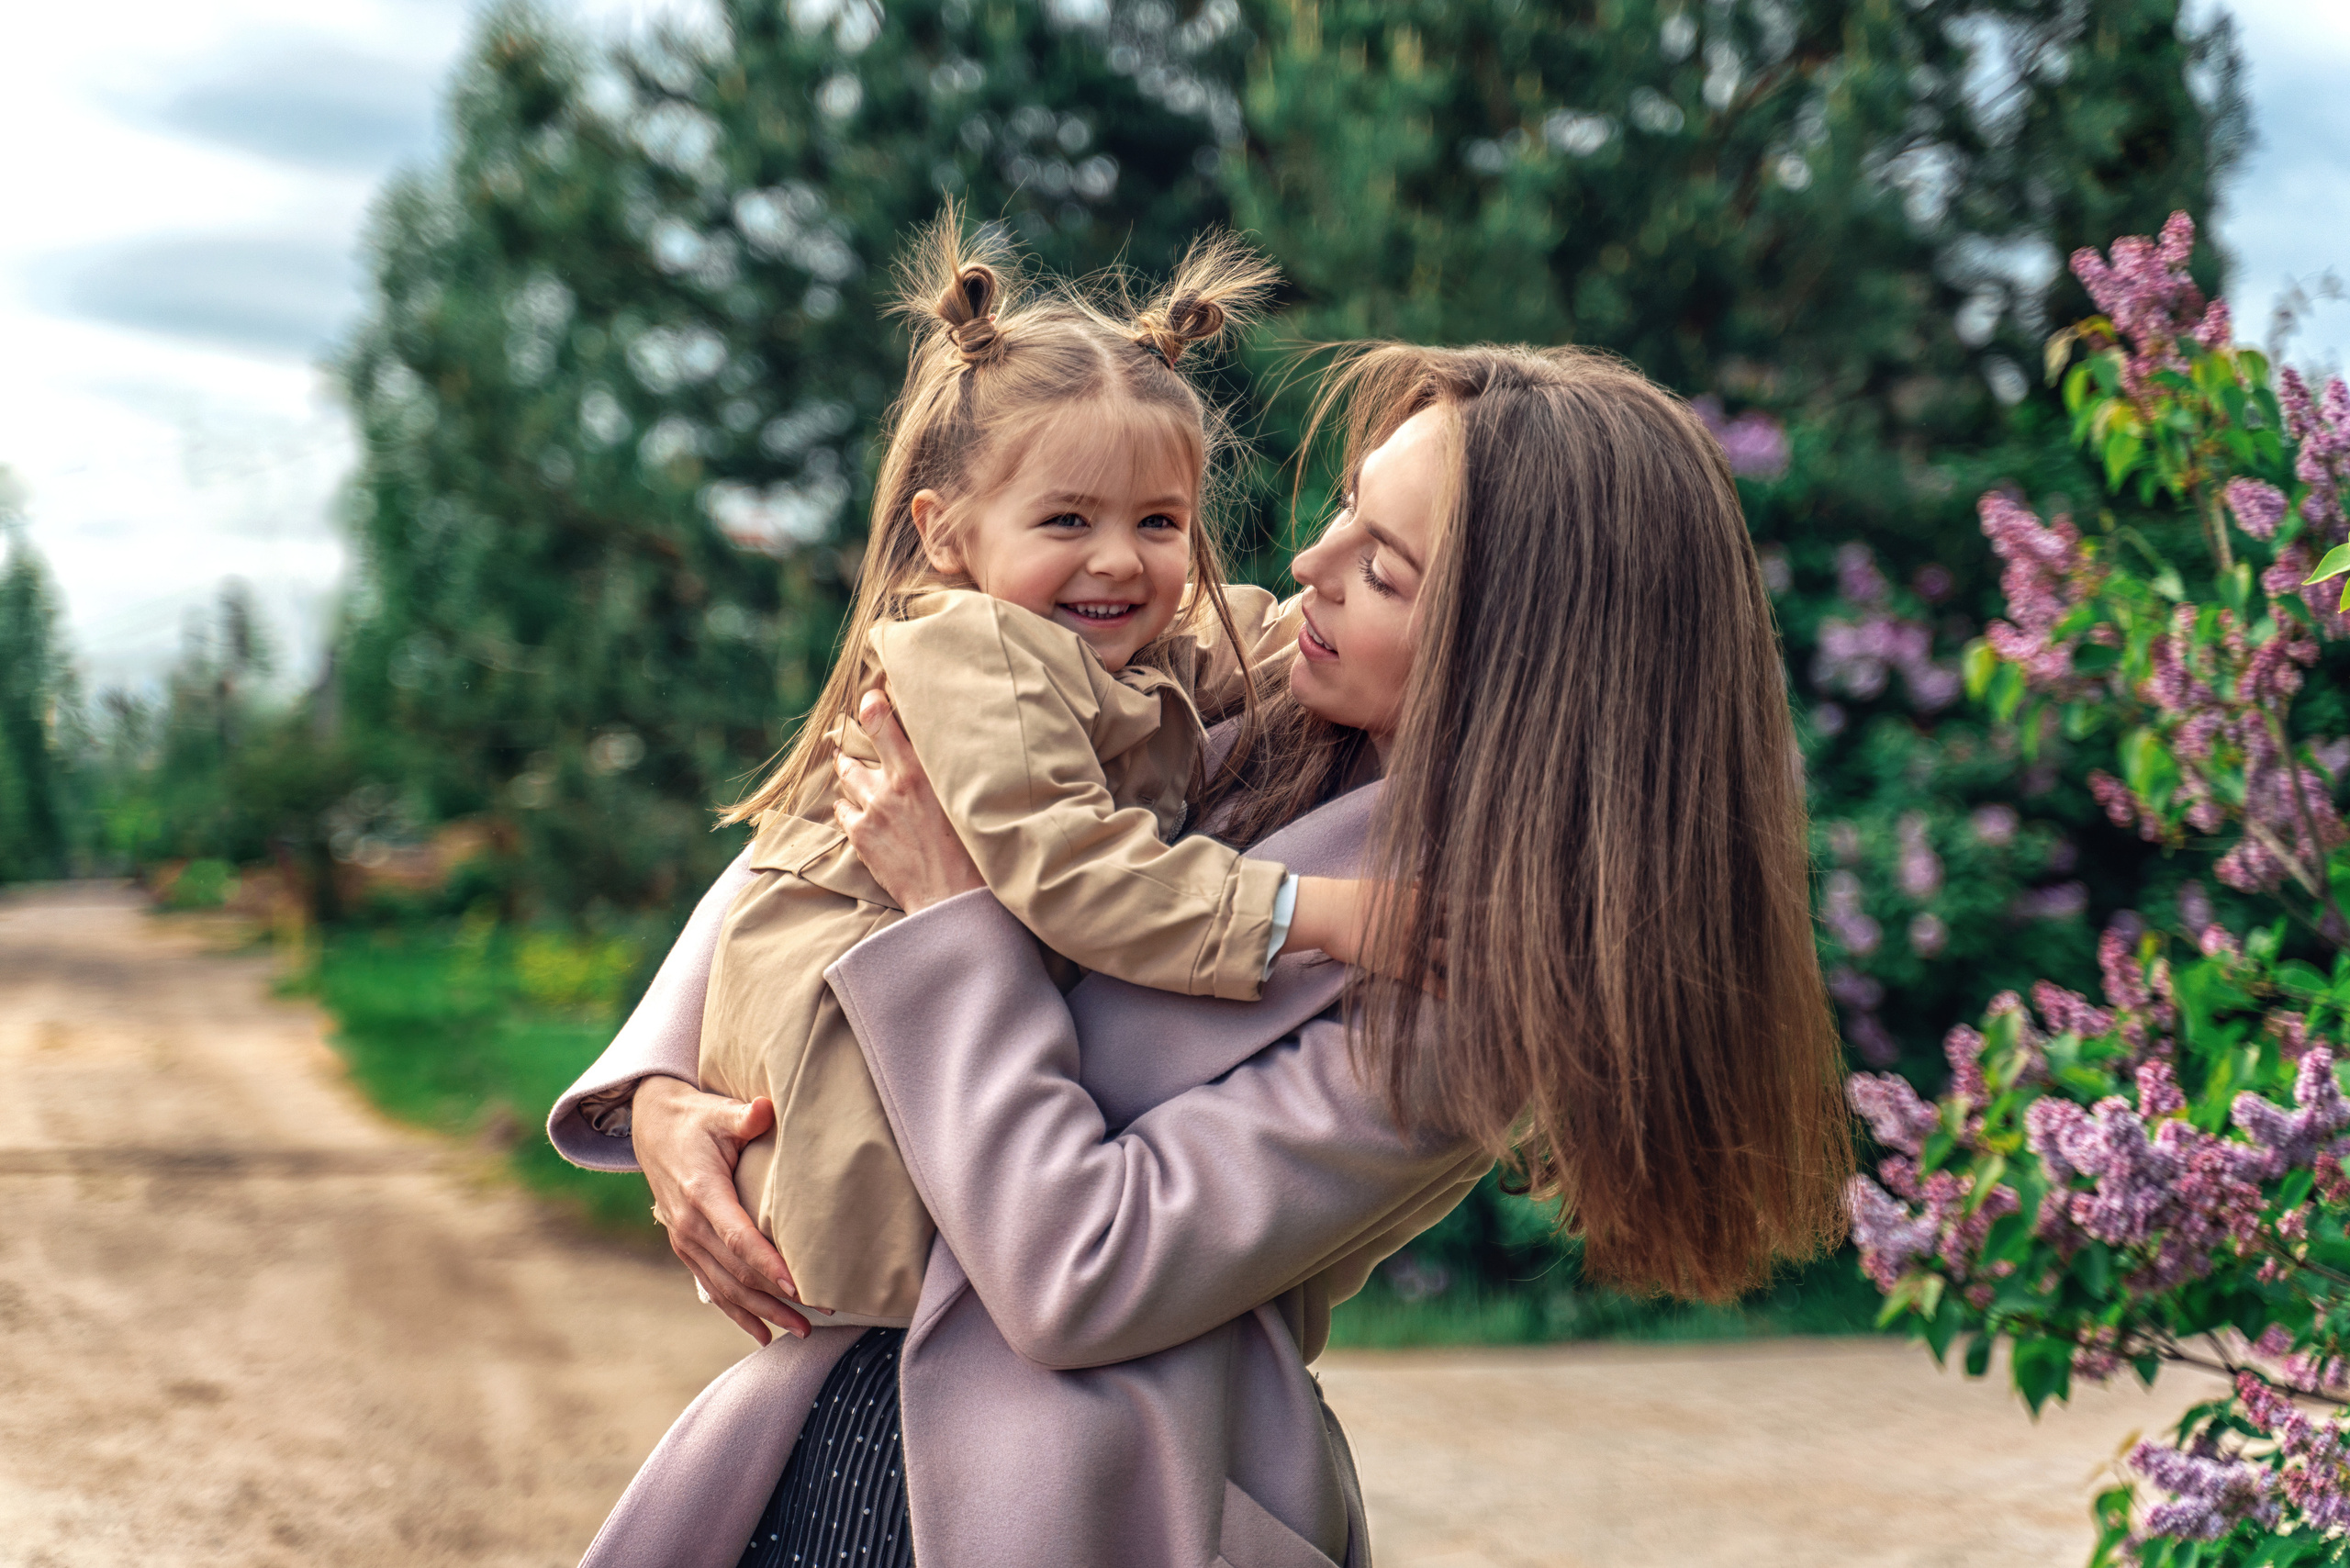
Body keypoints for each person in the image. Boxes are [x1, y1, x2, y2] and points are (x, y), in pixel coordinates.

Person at [548, 342, 1854, 1568]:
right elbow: (865, 809)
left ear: (1530, 657)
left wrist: (957, 918)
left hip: (1086, 1502)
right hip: (823, 1440)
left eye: (1385, 570)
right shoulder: (1263, 699)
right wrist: (668, 1088)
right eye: (1344, 506)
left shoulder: (1472, 982)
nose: (1311, 559)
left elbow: (1083, 1268)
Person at [660, 214, 1372, 1327]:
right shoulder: (977, 652)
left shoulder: (1099, 638)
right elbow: (1079, 869)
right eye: (1066, 518)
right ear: (946, 535)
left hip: (930, 1081)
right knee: (905, 1244)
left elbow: (1244, 638)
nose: (1117, 557)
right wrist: (1330, 915)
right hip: (847, 1044)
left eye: (1158, 519)